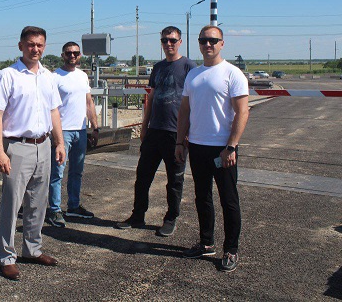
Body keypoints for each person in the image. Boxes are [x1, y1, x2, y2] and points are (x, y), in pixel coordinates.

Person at [0, 26, 67, 281]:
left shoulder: (48, 77)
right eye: (31, 44)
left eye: (40, 45)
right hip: (17, 146)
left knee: (37, 203)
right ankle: (6, 257)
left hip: (43, 145)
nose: (35, 49)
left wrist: (59, 143)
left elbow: (54, 112)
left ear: (45, 47)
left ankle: (32, 249)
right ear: (21, 46)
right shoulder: (8, 75)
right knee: (12, 205)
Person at [174, 25, 249, 273]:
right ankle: (206, 243)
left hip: (223, 149)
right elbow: (185, 111)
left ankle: (231, 249)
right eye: (203, 40)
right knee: (202, 197)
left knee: (229, 200)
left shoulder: (232, 74)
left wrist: (231, 146)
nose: (208, 44)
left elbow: (242, 112)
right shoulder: (193, 75)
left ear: (222, 44)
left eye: (213, 40)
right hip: (197, 146)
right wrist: (180, 142)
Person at [116, 26, 196, 237]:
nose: (168, 44)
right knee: (142, 176)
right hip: (155, 131)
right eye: (164, 40)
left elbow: (194, 101)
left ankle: (171, 218)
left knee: (174, 180)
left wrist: (187, 133)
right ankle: (138, 215)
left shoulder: (189, 66)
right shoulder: (158, 68)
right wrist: (144, 127)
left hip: (175, 133)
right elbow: (151, 98)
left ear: (180, 42)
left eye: (172, 40)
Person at [45, 42, 100, 228]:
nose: (72, 56)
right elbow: (49, 107)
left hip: (80, 130)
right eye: (69, 53)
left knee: (77, 171)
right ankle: (54, 209)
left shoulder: (82, 76)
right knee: (57, 172)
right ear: (63, 55)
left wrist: (95, 127)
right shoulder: (54, 77)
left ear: (80, 55)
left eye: (76, 53)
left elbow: (88, 103)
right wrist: (55, 134)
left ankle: (73, 206)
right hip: (62, 132)